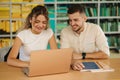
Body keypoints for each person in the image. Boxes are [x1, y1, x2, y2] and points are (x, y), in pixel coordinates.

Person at [60, 4, 110, 71]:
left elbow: (106, 54)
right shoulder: (65, 32)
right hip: (75, 66)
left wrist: (83, 55)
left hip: (95, 67)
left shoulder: (95, 29)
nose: (72, 24)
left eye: (75, 20)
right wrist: (72, 62)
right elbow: (64, 55)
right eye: (70, 20)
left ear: (84, 19)